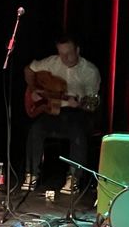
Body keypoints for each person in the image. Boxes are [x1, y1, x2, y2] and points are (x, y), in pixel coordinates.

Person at [23, 35, 101, 194]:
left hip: (77, 112)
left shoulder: (90, 71)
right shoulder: (52, 62)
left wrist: (79, 104)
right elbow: (28, 69)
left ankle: (74, 178)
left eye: (69, 53)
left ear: (77, 50)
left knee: (77, 132)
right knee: (36, 129)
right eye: (61, 54)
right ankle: (31, 174)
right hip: (53, 110)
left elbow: (91, 105)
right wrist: (33, 88)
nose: (65, 58)